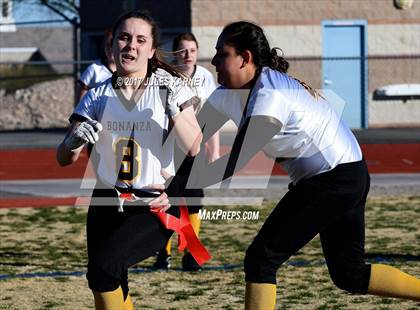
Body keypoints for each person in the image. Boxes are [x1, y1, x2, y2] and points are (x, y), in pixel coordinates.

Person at [151, 21, 420, 308]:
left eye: (222, 53)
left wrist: (174, 186)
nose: (214, 60)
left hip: (335, 179)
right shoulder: (226, 92)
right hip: (341, 174)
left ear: (245, 58)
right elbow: (192, 143)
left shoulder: (271, 93)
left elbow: (234, 162)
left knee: (261, 259)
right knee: (348, 275)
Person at [57, 10, 205, 310]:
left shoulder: (170, 87)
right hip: (106, 202)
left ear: (151, 50)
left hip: (151, 204)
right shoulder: (97, 95)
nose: (130, 46)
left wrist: (173, 109)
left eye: (140, 40)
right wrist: (72, 141)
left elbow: (194, 148)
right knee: (106, 278)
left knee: (103, 270)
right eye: (124, 38)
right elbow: (64, 159)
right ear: (112, 45)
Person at [154, 32, 219, 271]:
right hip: (170, 150)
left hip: (195, 149)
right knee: (168, 202)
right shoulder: (165, 76)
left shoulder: (204, 76)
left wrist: (213, 147)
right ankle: (164, 253)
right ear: (175, 52)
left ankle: (192, 254)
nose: (188, 55)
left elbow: (211, 116)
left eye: (192, 50)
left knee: (194, 202)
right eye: (183, 50)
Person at [78, 30, 117, 101]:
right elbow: (81, 101)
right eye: (107, 45)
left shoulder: (129, 69)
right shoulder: (94, 68)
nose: (110, 49)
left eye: (113, 45)